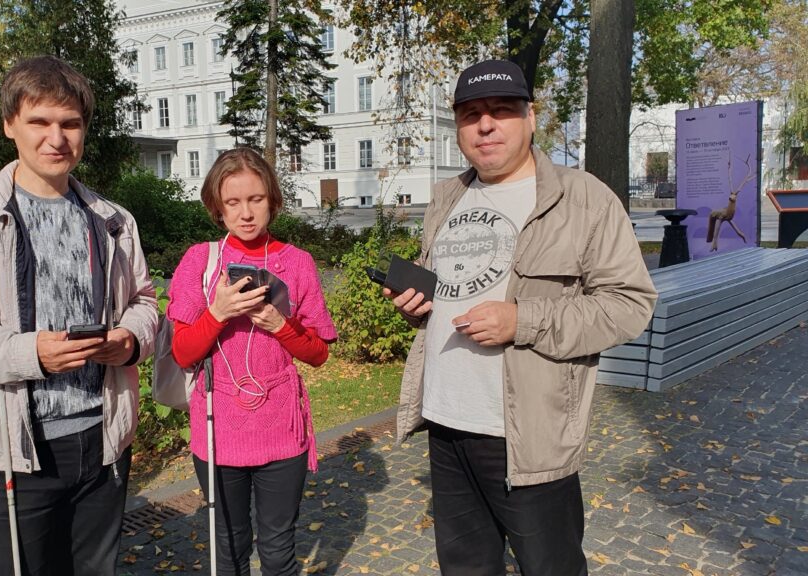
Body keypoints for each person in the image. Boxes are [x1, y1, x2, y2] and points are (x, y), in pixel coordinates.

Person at [384, 60, 657, 575]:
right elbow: (452, 291)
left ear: (531, 117)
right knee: (465, 569)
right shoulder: (446, 197)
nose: (485, 125)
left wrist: (521, 321)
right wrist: (417, 307)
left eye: (501, 110)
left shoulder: (584, 198)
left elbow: (629, 304)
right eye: (470, 115)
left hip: (528, 435)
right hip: (446, 421)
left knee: (550, 567)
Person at [0, 56, 158, 576]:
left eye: (70, 123)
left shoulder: (113, 220)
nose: (56, 138)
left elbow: (144, 302)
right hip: (15, 446)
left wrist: (130, 340)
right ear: (9, 125)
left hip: (104, 439)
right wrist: (29, 354)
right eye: (39, 121)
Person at [167, 147, 336, 576]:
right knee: (229, 547)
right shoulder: (200, 261)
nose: (245, 213)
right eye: (233, 202)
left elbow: (318, 353)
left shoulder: (297, 263)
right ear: (217, 207)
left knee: (278, 551)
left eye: (256, 199)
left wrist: (281, 325)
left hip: (281, 427)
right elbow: (183, 352)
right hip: (218, 429)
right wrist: (218, 312)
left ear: (272, 200)